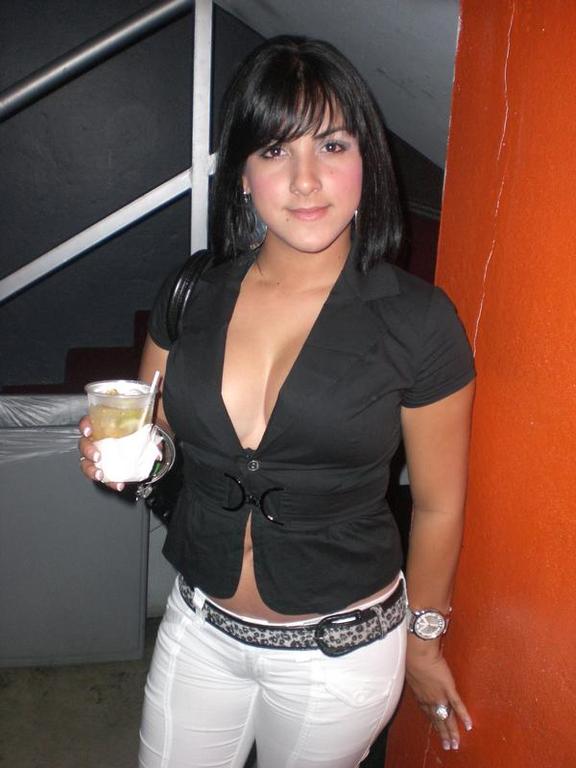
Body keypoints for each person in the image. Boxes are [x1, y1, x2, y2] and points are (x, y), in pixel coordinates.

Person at [79, 35, 475, 768]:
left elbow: (439, 504)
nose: (305, 181)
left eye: (332, 145)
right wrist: (123, 454)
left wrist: (424, 642)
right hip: (200, 627)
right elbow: (158, 439)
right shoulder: (192, 291)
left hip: (339, 657)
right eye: (274, 151)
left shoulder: (420, 321)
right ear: (242, 175)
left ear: (367, 161)